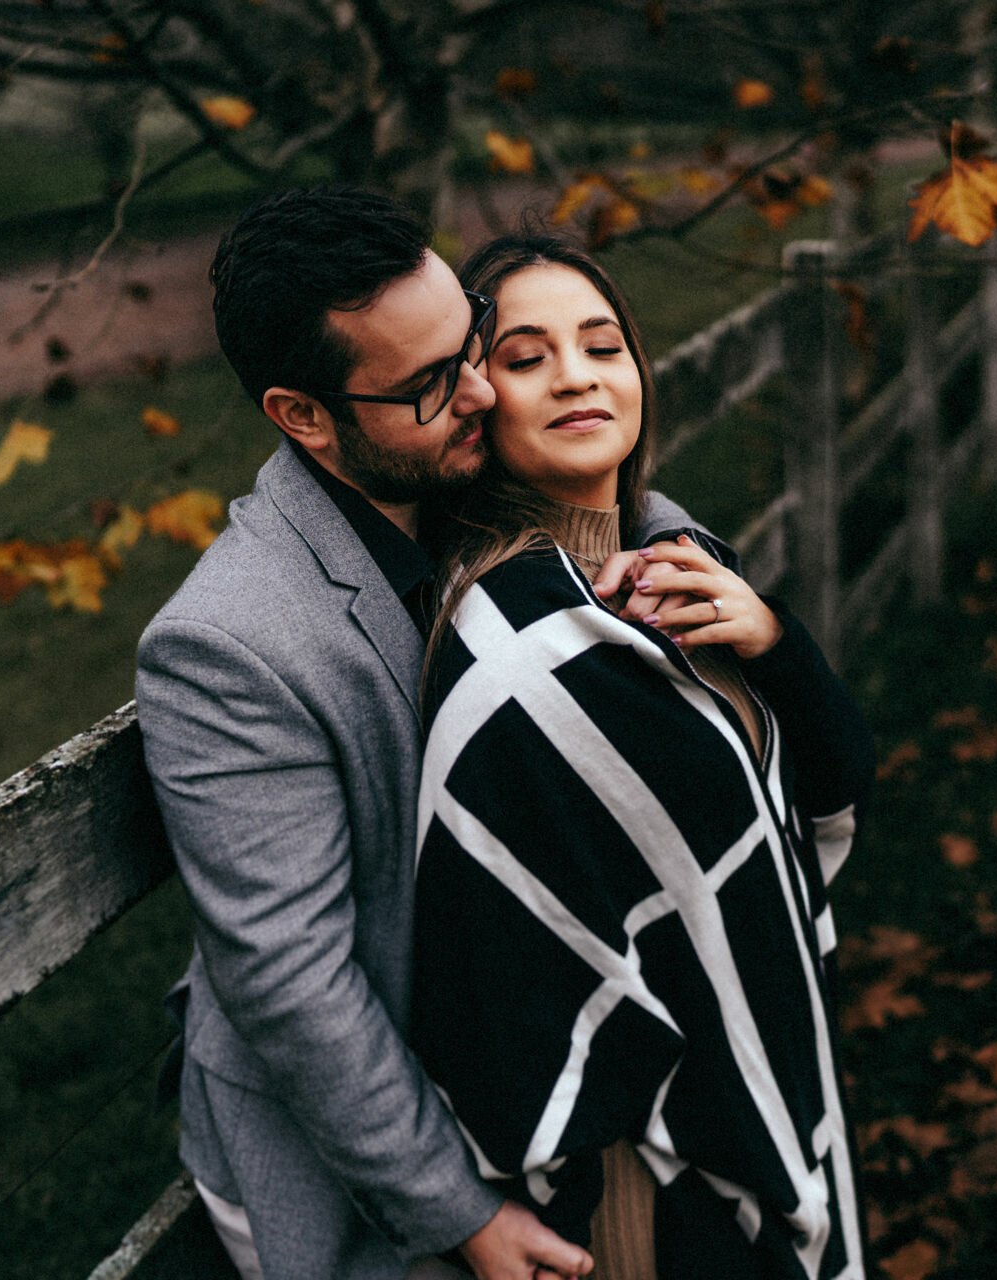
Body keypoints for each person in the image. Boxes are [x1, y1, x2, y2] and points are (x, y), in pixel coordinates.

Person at [134, 188, 710, 1280]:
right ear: (305, 416)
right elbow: (293, 981)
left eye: (474, 338)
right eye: (434, 382)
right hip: (370, 1147)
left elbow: (624, 496)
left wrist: (680, 564)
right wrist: (462, 1214)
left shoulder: (448, 455)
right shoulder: (230, 644)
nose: (485, 391)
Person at [412, 235, 873, 1280]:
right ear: (478, 402)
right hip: (645, 1174)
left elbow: (833, 778)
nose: (576, 373)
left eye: (602, 343)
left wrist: (775, 641)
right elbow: (510, 961)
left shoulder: (676, 566)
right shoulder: (521, 643)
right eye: (526, 357)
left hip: (746, 1088)